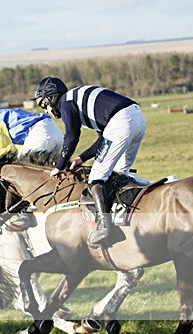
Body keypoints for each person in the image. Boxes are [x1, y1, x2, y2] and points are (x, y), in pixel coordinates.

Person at [33, 77, 147, 247]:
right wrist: (82, 158)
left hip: (122, 121)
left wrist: (59, 166)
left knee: (96, 178)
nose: (46, 111)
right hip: (137, 117)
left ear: (51, 98)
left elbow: (71, 137)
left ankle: (105, 227)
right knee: (120, 174)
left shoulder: (66, 103)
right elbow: (103, 138)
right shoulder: (76, 99)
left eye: (43, 105)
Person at [0, 92, 63, 163]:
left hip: (40, 134)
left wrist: (0, 165)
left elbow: (3, 148)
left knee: (24, 169)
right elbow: (19, 147)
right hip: (54, 130)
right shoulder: (4, 114)